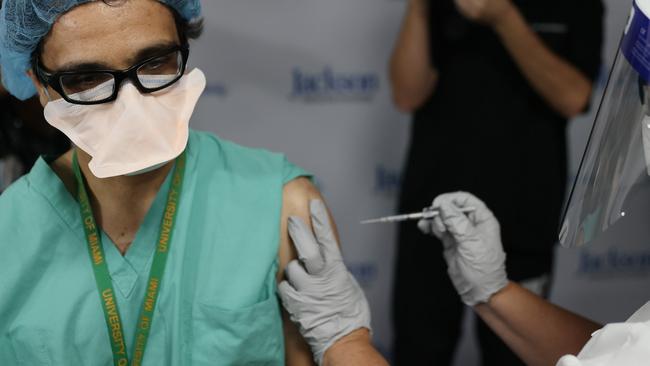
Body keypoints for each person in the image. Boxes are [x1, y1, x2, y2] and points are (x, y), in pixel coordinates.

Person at [0, 1, 387, 365]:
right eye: (86, 78)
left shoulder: (280, 205)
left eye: (155, 62)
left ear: (183, 51)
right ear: (39, 84)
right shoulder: (8, 234)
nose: (130, 102)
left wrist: (345, 340)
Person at [389, 0, 604, 364]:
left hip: (524, 211)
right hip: (432, 210)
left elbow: (573, 97)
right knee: (419, 347)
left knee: (513, 354)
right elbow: (406, 94)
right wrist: (419, 9)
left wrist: (504, 18)